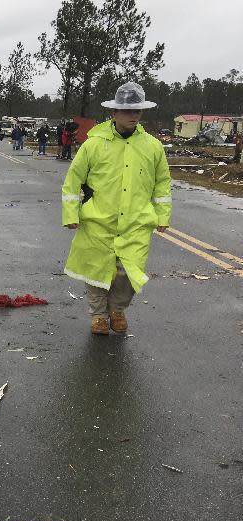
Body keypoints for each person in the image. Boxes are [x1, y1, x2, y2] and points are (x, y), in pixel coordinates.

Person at [61, 81, 171, 335]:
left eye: (137, 111)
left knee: (128, 272)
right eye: (128, 111)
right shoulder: (94, 144)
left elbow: (162, 184)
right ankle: (99, 315)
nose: (133, 116)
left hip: (136, 223)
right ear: (114, 112)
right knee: (96, 270)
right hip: (99, 221)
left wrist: (163, 216)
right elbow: (73, 180)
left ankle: (117, 310)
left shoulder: (152, 146)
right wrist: (70, 213)